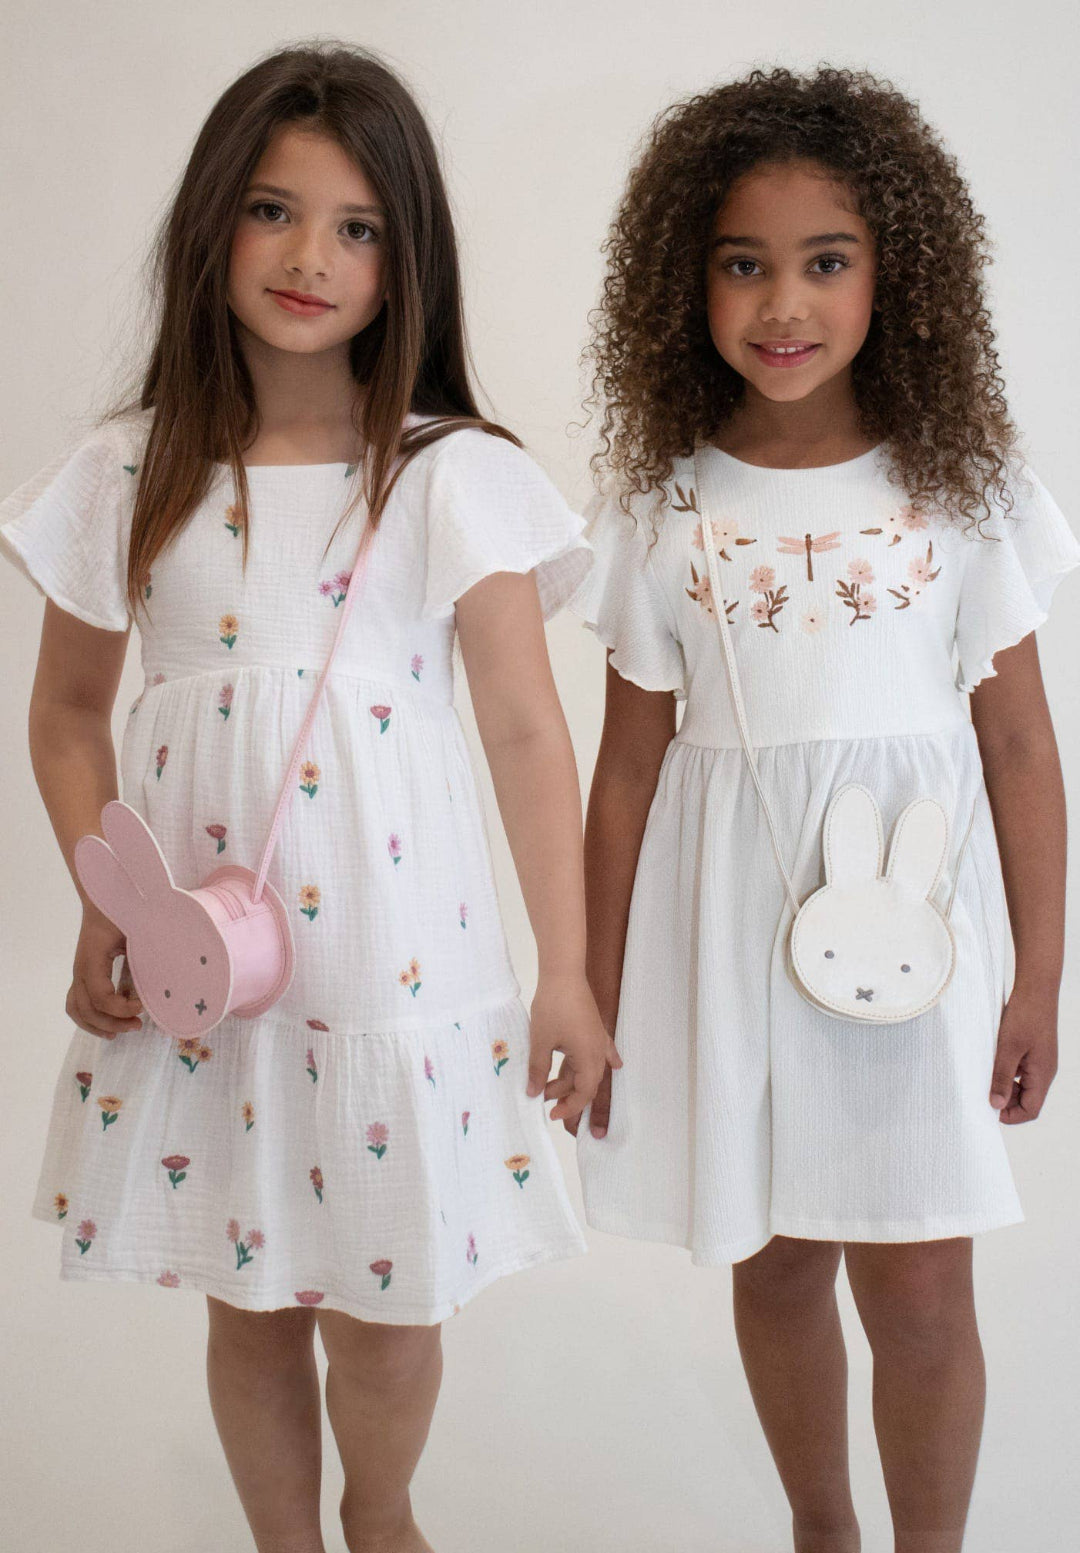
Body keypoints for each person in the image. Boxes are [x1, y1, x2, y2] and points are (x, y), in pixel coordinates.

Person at [0, 42, 613, 1553]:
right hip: (211, 966)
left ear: (407, 262)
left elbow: (531, 731)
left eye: (356, 227)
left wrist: (571, 969)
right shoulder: (129, 471)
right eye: (273, 211)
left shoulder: (447, 475)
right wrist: (108, 902)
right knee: (251, 1288)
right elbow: (71, 713)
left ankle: (381, 1512)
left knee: (388, 1299)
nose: (307, 257)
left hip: (402, 954)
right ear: (212, 221)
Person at [562, 65, 1078, 1553]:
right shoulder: (665, 504)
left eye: (826, 260)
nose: (782, 300)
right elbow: (626, 769)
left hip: (913, 945)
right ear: (690, 283)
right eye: (743, 263)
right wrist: (590, 984)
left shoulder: (957, 489)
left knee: (920, 1280)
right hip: (729, 943)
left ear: (893, 276)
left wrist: (1039, 970)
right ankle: (821, 1530)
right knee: (776, 1262)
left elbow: (1025, 751)